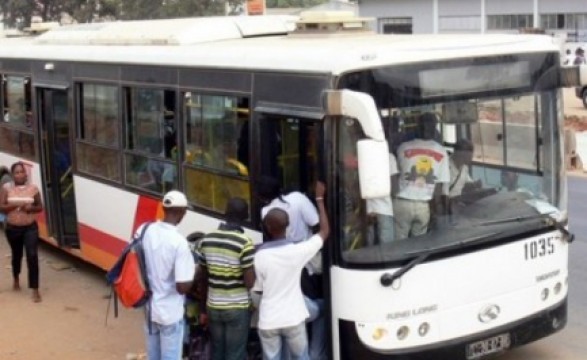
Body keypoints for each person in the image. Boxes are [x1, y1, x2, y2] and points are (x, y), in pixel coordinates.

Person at [254, 181, 330, 360]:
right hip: (292, 318)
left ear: (267, 228)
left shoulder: (259, 256)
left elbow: (258, 288)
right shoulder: (297, 253)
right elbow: (324, 230)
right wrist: (319, 199)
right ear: (287, 225)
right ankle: (317, 355)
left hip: (268, 321)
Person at [138, 190, 195, 360]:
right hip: (170, 313)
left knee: (153, 356)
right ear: (180, 212)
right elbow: (182, 287)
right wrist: (195, 271)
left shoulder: (144, 230)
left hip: (150, 307)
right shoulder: (179, 242)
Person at [196, 197, 255, 360]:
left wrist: (202, 310)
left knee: (218, 352)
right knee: (235, 354)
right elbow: (250, 282)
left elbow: (203, 278)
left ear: (225, 213)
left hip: (213, 307)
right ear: (245, 216)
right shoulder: (244, 243)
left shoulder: (206, 240)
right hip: (237, 308)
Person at [394, 113, 450, 239]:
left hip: (402, 203)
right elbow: (439, 187)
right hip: (423, 206)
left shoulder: (402, 147)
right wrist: (435, 212)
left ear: (417, 127)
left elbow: (396, 173)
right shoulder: (442, 151)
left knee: (398, 244)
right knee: (418, 244)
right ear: (435, 129)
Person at [0, 162, 44, 302]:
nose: (20, 174)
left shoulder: (33, 189)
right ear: (13, 175)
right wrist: (14, 205)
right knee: (16, 255)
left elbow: (40, 207)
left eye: (22, 172)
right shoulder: (6, 188)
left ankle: (35, 289)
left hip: (30, 227)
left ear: (26, 174)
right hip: (13, 228)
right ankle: (16, 278)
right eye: (17, 172)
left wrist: (30, 208)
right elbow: (1, 206)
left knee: (32, 255)